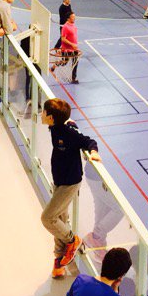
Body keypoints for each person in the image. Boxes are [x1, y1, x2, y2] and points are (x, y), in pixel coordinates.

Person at [40, 98, 99, 278]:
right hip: (58, 180)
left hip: (69, 183)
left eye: (43, 112)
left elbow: (88, 140)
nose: (40, 114)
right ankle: (59, 262)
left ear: (50, 117)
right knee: (60, 220)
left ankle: (73, 241)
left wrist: (94, 152)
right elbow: (70, 122)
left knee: (48, 218)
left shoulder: (68, 133)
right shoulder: (55, 127)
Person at [53, 12, 81, 83]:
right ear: (68, 18)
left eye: (74, 16)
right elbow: (63, 39)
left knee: (75, 62)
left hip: (74, 49)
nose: (74, 18)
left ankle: (73, 78)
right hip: (67, 50)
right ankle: (55, 64)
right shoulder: (65, 27)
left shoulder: (73, 25)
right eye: (73, 17)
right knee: (64, 63)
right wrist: (72, 44)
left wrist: (75, 46)